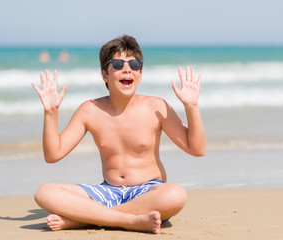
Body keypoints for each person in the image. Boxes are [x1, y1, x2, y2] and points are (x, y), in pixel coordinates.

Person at [31, 35, 205, 234]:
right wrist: (51, 112)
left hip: (148, 191)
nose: (127, 68)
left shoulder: (157, 107)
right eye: (117, 63)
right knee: (44, 193)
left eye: (135, 64)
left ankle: (84, 220)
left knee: (175, 195)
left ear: (140, 73)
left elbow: (197, 149)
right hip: (107, 191)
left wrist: (192, 107)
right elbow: (53, 155)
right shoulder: (90, 110)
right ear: (105, 75)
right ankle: (127, 220)